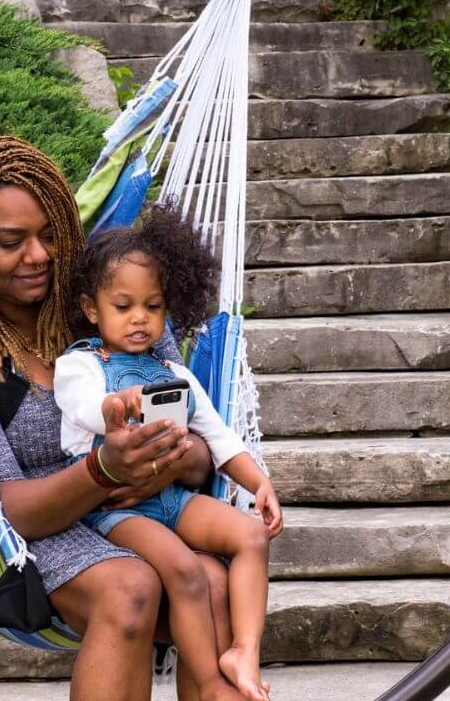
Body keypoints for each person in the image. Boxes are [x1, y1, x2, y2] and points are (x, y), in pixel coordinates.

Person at [0, 135, 238, 701]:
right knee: (129, 587)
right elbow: (9, 507)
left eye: (47, 235)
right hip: (29, 536)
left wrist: (168, 461)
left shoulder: (113, 306)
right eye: (11, 242)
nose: (37, 255)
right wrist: (106, 471)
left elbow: (201, 451)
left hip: (140, 514)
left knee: (213, 583)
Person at [54, 204, 283, 701]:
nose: (139, 318)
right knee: (185, 569)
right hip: (113, 511)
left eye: (153, 307)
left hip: (171, 501)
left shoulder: (174, 375)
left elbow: (218, 437)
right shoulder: (81, 365)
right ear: (92, 309)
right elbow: (80, 408)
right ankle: (210, 686)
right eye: (123, 306)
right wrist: (116, 407)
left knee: (249, 534)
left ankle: (244, 651)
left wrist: (258, 482)